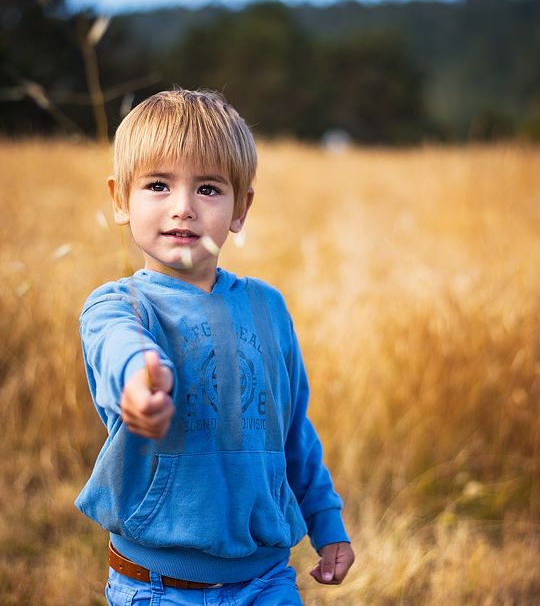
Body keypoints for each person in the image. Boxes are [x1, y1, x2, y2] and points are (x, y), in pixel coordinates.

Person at [77, 89, 354, 605]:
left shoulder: (268, 308)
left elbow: (293, 430)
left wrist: (326, 521)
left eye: (207, 188)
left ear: (240, 208)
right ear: (120, 200)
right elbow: (119, 348)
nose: (182, 208)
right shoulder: (120, 305)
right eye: (158, 185)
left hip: (267, 580)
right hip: (157, 587)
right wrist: (139, 380)